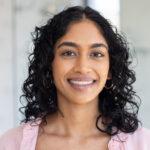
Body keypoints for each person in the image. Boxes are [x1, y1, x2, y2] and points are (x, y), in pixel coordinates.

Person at [0, 6, 150, 150]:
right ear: (48, 64)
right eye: (69, 53)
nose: (82, 67)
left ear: (110, 69)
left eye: (96, 54)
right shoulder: (11, 144)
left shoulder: (142, 143)